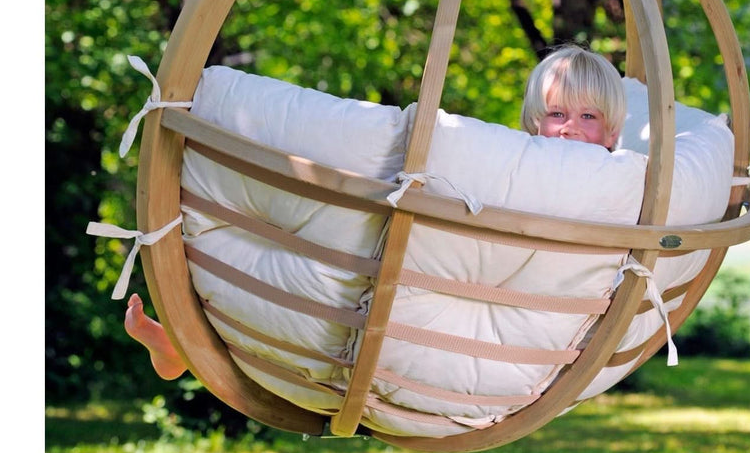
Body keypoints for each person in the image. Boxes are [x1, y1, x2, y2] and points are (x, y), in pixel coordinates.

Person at [123, 43, 626, 379]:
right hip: (425, 281)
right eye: (556, 114)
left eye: (588, 116)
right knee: (299, 279)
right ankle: (185, 345)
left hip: (508, 322)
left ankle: (184, 350)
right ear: (533, 123)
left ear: (612, 133)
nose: (569, 127)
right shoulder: (519, 166)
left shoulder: (617, 183)